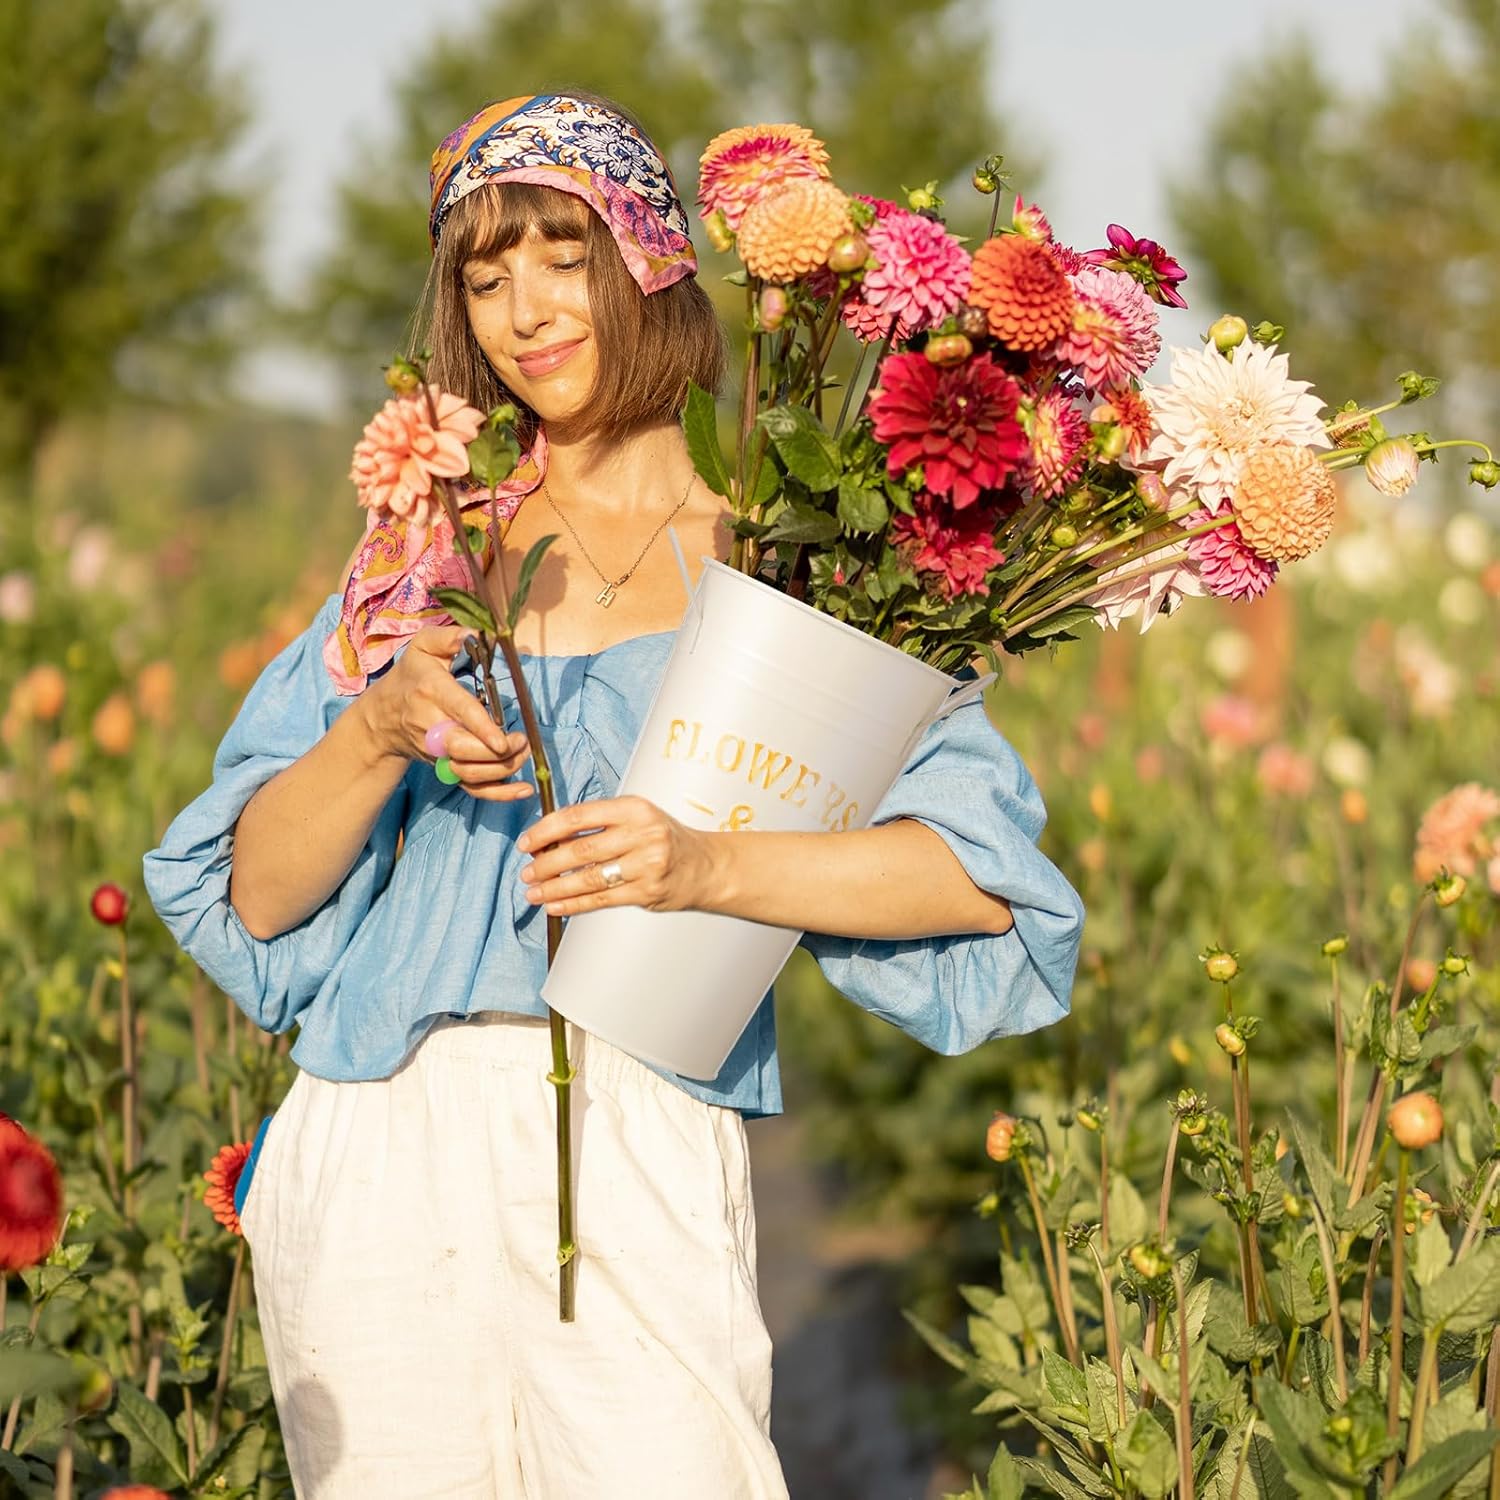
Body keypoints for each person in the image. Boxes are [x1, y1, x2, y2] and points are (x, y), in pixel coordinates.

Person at [144, 92, 1084, 1500]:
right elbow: (256, 896)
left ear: (647, 257)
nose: (524, 311)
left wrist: (704, 866)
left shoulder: (784, 558)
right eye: (484, 278)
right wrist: (381, 728)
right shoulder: (433, 544)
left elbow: (978, 882)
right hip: (380, 1137)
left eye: (562, 256)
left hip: (645, 1124)